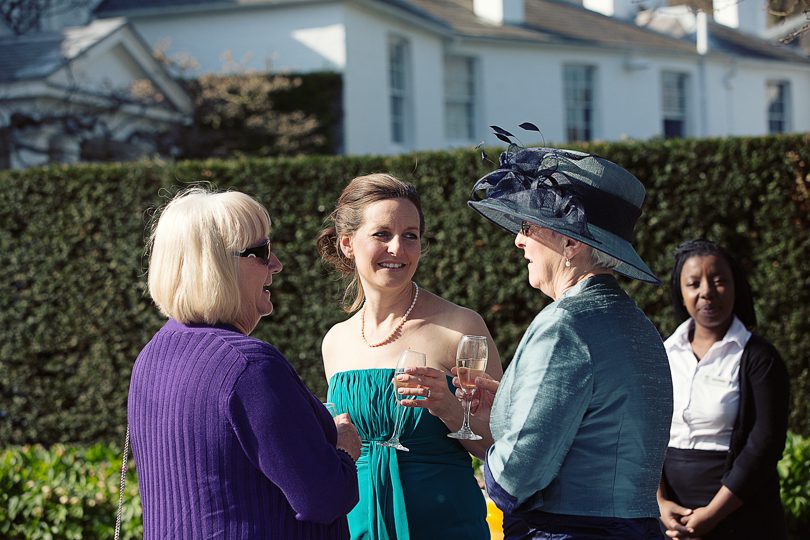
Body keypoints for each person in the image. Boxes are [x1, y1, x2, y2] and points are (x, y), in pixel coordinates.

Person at [129, 187, 361, 539]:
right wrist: (344, 449)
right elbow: (324, 498)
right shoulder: (249, 367)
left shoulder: (151, 356)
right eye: (262, 252)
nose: (276, 264)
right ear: (218, 265)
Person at [466, 145, 672, 539]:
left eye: (530, 226)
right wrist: (507, 405)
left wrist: (485, 463)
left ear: (571, 243)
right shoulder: (639, 325)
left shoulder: (566, 323)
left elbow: (515, 475)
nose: (518, 241)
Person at [316, 173, 503, 540]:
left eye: (410, 236)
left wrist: (449, 408)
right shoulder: (335, 341)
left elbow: (503, 448)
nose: (397, 249)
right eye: (382, 234)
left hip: (446, 528)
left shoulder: (461, 327)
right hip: (357, 526)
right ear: (347, 243)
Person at [657, 239, 789, 540]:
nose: (707, 291)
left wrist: (712, 514)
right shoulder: (663, 354)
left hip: (740, 519)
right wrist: (660, 503)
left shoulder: (760, 359)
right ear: (680, 292)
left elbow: (764, 444)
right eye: (693, 284)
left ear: (735, 287)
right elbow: (643, 431)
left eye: (719, 281)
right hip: (670, 521)